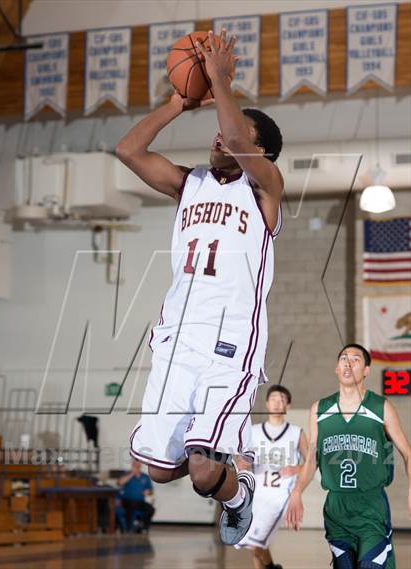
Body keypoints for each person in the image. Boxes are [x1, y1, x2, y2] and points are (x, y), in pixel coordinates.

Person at [116, 29, 284, 545]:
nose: (219, 137)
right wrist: (177, 101)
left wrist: (218, 80)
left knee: (206, 473)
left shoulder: (266, 190)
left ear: (261, 152)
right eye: (214, 130)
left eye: (233, 135)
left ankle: (237, 491)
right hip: (177, 341)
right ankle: (223, 471)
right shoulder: (189, 183)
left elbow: (235, 138)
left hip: (229, 343)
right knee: (162, 471)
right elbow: (128, 148)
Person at [286, 343, 411, 569]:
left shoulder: (381, 407)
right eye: (343, 358)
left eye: (355, 359)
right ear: (336, 368)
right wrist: (296, 491)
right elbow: (312, 458)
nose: (348, 363)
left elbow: (408, 454)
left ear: (366, 371)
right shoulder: (319, 409)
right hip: (336, 508)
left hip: (370, 506)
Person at [236, 385, 308, 569]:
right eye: (273, 399)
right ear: (267, 403)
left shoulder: (296, 433)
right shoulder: (253, 431)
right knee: (255, 545)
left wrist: (297, 468)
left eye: (282, 399)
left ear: (288, 405)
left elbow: (312, 464)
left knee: (256, 542)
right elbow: (242, 462)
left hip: (281, 496)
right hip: (257, 494)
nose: (277, 402)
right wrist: (242, 464)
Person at [118, 460, 155, 533]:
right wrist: (132, 474)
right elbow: (120, 483)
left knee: (150, 509)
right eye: (135, 465)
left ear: (140, 466)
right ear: (132, 465)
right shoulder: (126, 474)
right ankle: (129, 528)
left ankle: (143, 527)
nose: (137, 466)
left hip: (140, 502)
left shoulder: (145, 477)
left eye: (138, 465)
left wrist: (148, 492)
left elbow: (151, 491)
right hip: (127, 501)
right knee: (130, 508)